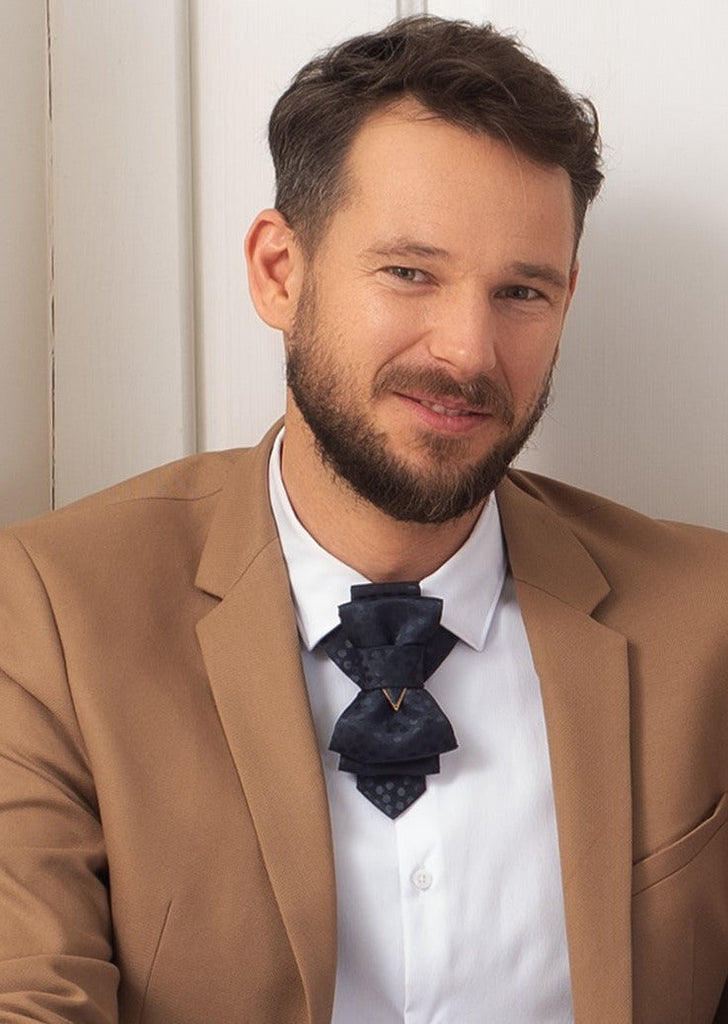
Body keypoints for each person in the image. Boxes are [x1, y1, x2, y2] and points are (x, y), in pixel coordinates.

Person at [1, 14, 727, 1024]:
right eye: (409, 272)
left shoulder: (706, 615)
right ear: (278, 271)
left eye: (521, 291)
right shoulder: (52, 608)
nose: (467, 351)